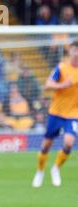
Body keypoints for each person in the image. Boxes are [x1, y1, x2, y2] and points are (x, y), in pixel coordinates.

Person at [32, 39, 78, 188]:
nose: (76, 53)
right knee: (46, 145)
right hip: (56, 112)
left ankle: (56, 168)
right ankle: (40, 171)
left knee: (69, 143)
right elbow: (47, 85)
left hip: (73, 113)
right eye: (74, 50)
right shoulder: (62, 68)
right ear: (69, 51)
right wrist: (63, 85)